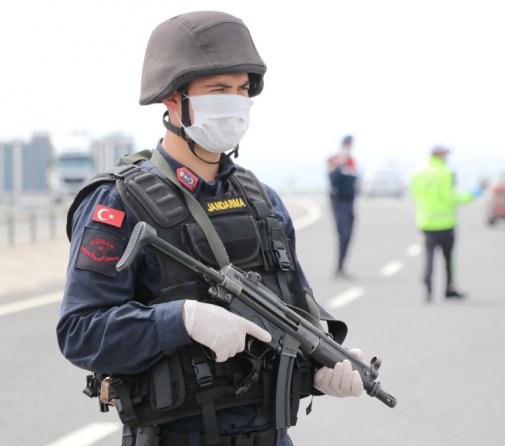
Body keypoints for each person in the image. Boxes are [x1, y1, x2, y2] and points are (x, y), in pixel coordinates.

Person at [57, 11, 364, 446]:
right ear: (172, 99)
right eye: (219, 89)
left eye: (242, 90)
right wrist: (181, 319)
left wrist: (325, 364)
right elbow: (80, 331)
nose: (235, 102)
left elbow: (294, 310)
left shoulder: (263, 200)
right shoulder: (118, 202)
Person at [410, 145, 478, 302]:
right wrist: (471, 196)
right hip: (445, 222)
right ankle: (449, 288)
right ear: (439, 155)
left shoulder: (418, 171)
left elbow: (414, 193)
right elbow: (450, 197)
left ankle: (428, 289)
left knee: (428, 258)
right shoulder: (444, 172)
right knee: (448, 259)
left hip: (426, 222)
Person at [327, 135, 359, 279]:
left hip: (350, 202)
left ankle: (342, 264)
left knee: (349, 235)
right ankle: (339, 266)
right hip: (338, 203)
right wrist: (341, 163)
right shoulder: (333, 160)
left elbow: (355, 180)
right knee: (343, 233)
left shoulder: (352, 162)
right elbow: (332, 179)